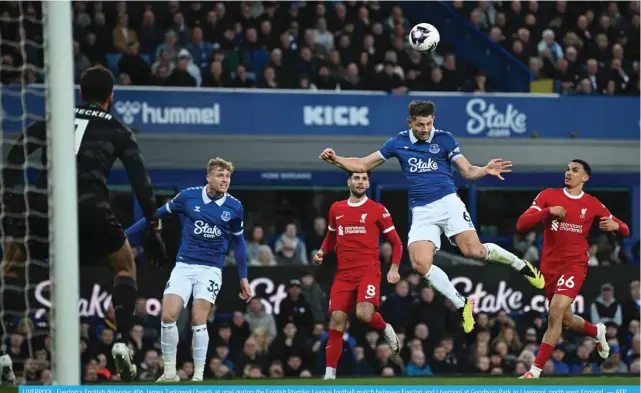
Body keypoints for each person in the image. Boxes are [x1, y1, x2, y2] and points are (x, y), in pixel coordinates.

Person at [318, 100, 544, 334]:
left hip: (448, 203)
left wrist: (485, 169)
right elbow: (364, 163)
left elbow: (466, 171)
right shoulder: (398, 142)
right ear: (410, 123)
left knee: (473, 252)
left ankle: (521, 264)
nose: (425, 129)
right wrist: (336, 159)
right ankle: (461, 303)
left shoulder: (445, 139)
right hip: (422, 210)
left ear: (433, 121)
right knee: (419, 264)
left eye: (428, 124)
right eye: (419, 125)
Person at [0, 66, 166, 382]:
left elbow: (18, 151)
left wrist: (9, 197)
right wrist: (154, 230)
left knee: (9, 268)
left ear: (79, 94)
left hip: (42, 203)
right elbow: (141, 183)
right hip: (91, 206)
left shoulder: (57, 118)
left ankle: (3, 350)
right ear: (111, 97)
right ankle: (121, 344)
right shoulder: (118, 129)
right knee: (125, 268)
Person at [125, 157, 252, 382]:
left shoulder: (235, 206)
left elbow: (239, 243)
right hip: (184, 265)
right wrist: (125, 235)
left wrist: (244, 277)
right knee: (167, 315)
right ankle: (170, 372)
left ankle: (199, 376)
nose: (225, 180)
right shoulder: (188, 196)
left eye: (227, 176)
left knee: (197, 320)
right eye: (220, 175)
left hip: (210, 269)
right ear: (209, 177)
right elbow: (156, 216)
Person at [515, 159, 630, 379]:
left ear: (585, 177)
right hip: (549, 266)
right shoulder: (548, 195)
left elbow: (624, 228)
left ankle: (534, 371)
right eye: (567, 169)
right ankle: (597, 331)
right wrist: (548, 211)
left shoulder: (593, 204)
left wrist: (617, 226)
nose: (569, 173)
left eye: (575, 170)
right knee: (565, 320)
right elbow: (521, 224)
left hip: (575, 264)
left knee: (555, 312)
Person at [313, 171, 403, 380]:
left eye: (364, 179)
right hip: (343, 274)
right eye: (356, 178)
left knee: (363, 314)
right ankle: (329, 375)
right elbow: (331, 236)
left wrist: (394, 268)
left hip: (368, 271)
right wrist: (321, 252)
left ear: (368, 183)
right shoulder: (337, 208)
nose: (360, 182)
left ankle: (385, 327)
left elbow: (396, 242)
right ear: (349, 182)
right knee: (336, 321)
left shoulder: (377, 210)